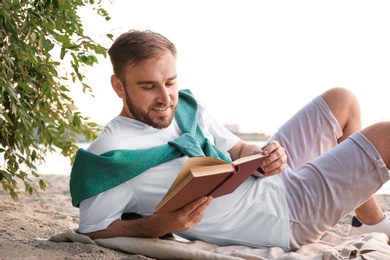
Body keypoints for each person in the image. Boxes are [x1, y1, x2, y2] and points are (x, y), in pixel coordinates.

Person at [69, 29, 390, 251]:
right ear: (118, 86)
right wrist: (160, 223)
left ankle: (370, 221)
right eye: (149, 86)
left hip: (271, 181)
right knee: (386, 135)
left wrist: (264, 154)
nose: (166, 97)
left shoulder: (186, 110)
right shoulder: (110, 156)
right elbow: (95, 227)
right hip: (282, 216)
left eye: (170, 82)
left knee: (342, 100)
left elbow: (236, 149)